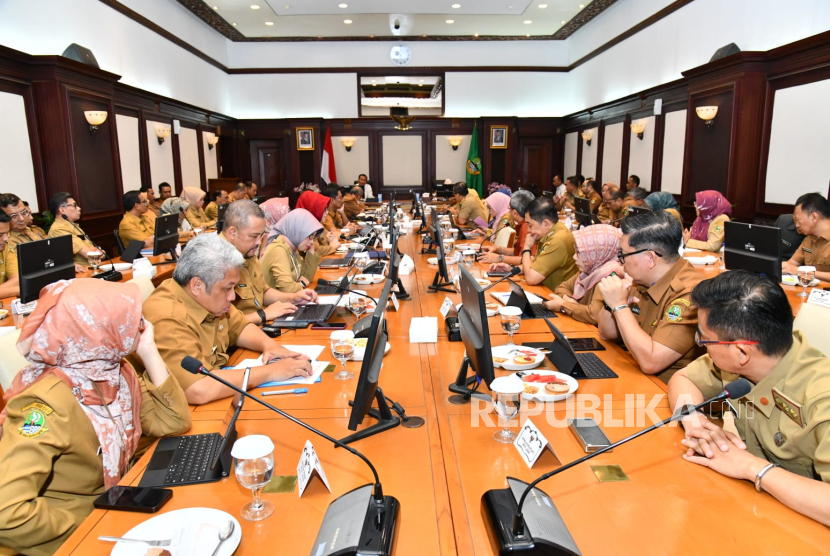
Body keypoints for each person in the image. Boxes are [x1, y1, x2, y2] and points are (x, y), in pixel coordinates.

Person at [0, 279, 191, 555]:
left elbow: (174, 422)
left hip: (116, 506)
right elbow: (7, 511)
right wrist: (90, 528)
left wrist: (148, 350)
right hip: (75, 536)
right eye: (128, 317)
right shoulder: (44, 404)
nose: (140, 323)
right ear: (94, 329)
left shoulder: (112, 372)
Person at [667, 271, 830, 526]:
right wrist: (695, 422)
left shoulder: (822, 398)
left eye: (704, 339)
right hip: (758, 509)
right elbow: (683, 379)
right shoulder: (743, 360)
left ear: (742, 351)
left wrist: (751, 467)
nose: (701, 345)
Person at [142, 234, 312, 405]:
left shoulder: (208, 298)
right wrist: (271, 371)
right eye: (227, 289)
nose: (232, 296)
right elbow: (198, 389)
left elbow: (240, 326)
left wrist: (270, 346)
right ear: (196, 285)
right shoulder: (168, 318)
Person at [596, 210, 705, 382]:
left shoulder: (691, 294)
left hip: (664, 392)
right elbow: (606, 333)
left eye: (623, 255)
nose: (619, 262)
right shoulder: (641, 279)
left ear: (650, 258)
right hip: (632, 372)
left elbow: (651, 362)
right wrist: (612, 305)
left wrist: (620, 306)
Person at [221, 200, 317, 324]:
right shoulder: (215, 261)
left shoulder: (247, 252)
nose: (259, 242)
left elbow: (264, 291)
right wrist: (263, 314)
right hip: (241, 333)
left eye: (260, 236)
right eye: (253, 236)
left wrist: (293, 298)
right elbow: (221, 325)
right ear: (232, 232)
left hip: (258, 323)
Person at [488, 196, 577, 291]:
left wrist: (527, 247)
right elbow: (537, 263)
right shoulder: (553, 230)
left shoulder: (558, 240)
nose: (529, 230)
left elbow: (531, 278)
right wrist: (512, 269)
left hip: (555, 297)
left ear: (546, 224)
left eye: (530, 225)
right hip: (545, 290)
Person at [544, 225, 623, 325]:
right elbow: (562, 287)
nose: (574, 257)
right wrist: (571, 303)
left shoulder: (610, 275)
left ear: (596, 253)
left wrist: (564, 306)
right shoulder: (592, 269)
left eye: (579, 253)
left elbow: (594, 315)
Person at [260, 208, 327, 293]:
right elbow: (288, 289)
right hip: (272, 305)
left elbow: (307, 278)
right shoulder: (278, 249)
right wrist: (301, 284)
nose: (312, 241)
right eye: (310, 236)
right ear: (297, 230)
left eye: (314, 237)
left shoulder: (292, 247)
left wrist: (311, 249)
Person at [479, 190, 535, 266]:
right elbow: (517, 251)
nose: (508, 211)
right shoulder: (524, 224)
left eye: (509, 209)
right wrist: (498, 249)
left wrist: (499, 258)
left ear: (515, 213)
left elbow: (524, 259)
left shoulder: (526, 227)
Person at [783, 192, 830, 282]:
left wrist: (802, 272)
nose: (796, 225)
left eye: (798, 220)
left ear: (814, 217)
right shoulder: (809, 239)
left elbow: (796, 270)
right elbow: (791, 265)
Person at [46, 192, 98, 266]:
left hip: (92, 267)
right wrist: (97, 252)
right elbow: (90, 255)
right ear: (62, 210)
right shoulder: (59, 229)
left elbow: (95, 253)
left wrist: (97, 252)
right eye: (74, 205)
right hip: (81, 273)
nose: (79, 208)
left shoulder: (72, 226)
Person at [295, 190, 339, 256]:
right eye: (323, 209)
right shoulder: (304, 227)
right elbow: (315, 251)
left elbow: (329, 237)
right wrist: (331, 247)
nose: (327, 212)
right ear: (313, 208)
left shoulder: (317, 223)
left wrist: (329, 239)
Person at [0, 211, 20, 298]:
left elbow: (17, 279)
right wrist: (22, 289)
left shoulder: (5, 247)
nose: (6, 239)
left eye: (7, 233)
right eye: (0, 235)